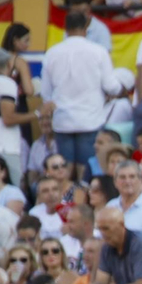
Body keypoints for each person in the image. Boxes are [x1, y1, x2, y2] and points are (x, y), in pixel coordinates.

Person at [41, 10, 124, 173]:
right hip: (90, 118)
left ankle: (67, 198)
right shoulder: (98, 51)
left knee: (64, 170)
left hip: (62, 119)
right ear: (86, 27)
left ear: (65, 28)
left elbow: (46, 94)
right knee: (86, 169)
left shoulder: (52, 53)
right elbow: (112, 86)